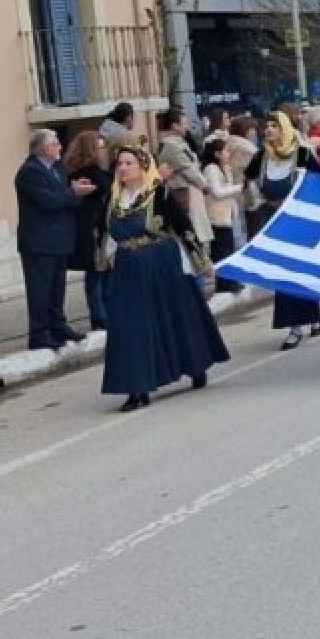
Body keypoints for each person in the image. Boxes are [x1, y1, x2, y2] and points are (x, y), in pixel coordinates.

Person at [100, 145, 229, 412]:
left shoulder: (160, 194)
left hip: (161, 264)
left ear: (143, 167)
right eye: (120, 163)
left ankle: (195, 364)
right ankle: (137, 387)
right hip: (127, 269)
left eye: (128, 163)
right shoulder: (112, 198)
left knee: (176, 316)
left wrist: (198, 263)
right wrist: (104, 261)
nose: (122, 168)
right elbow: (106, 236)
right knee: (130, 326)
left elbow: (183, 228)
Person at [245, 112, 320, 350]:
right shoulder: (261, 157)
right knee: (283, 272)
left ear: (285, 128)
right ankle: (295, 325)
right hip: (274, 219)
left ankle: (312, 314)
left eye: (274, 126)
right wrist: (256, 199)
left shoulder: (301, 153)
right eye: (265, 126)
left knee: (301, 270)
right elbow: (247, 179)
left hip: (299, 220)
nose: (268, 130)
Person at [15, 129, 97, 350]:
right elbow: (49, 201)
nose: (60, 147)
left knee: (57, 289)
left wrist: (73, 192)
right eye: (56, 143)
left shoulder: (57, 169)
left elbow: (63, 197)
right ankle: (40, 334)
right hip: (39, 243)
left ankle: (58, 326)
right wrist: (74, 194)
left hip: (59, 240)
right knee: (40, 290)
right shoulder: (30, 172)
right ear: (44, 148)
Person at [63, 131, 113, 331]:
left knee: (105, 271)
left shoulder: (99, 171)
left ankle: (107, 310)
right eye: (100, 148)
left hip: (103, 227)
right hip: (91, 228)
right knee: (96, 272)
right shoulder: (86, 172)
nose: (103, 152)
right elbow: (105, 187)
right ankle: (99, 315)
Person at [156, 108, 214, 249]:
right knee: (196, 235)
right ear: (175, 126)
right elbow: (189, 170)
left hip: (187, 191)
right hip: (187, 192)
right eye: (184, 123)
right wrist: (205, 185)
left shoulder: (174, 143)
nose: (186, 127)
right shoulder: (173, 145)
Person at [202, 137, 243, 294]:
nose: (228, 153)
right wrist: (238, 187)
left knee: (228, 248)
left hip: (226, 215)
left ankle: (230, 282)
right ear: (217, 153)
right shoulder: (211, 169)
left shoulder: (223, 167)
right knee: (221, 250)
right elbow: (217, 192)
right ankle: (224, 284)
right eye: (225, 150)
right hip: (216, 216)